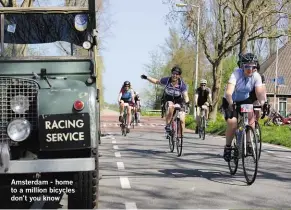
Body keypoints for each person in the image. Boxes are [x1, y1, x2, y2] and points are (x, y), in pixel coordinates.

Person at [221, 52, 268, 162]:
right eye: (247, 66)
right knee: (232, 123)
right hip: (230, 99)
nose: (250, 69)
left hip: (244, 100)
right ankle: (228, 147)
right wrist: (231, 102)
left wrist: (263, 103)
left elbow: (260, 93)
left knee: (251, 116)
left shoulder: (256, 76)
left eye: (253, 67)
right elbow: (229, 92)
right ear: (242, 66)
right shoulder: (236, 74)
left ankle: (248, 143)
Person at [140, 65, 190, 135]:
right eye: (173, 73)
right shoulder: (166, 80)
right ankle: (168, 125)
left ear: (179, 76)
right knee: (170, 106)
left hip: (179, 101)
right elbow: (156, 81)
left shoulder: (182, 85)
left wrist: (187, 104)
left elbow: (186, 96)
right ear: (171, 74)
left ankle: (179, 137)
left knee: (182, 120)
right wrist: (146, 77)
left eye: (176, 74)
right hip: (168, 99)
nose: (174, 75)